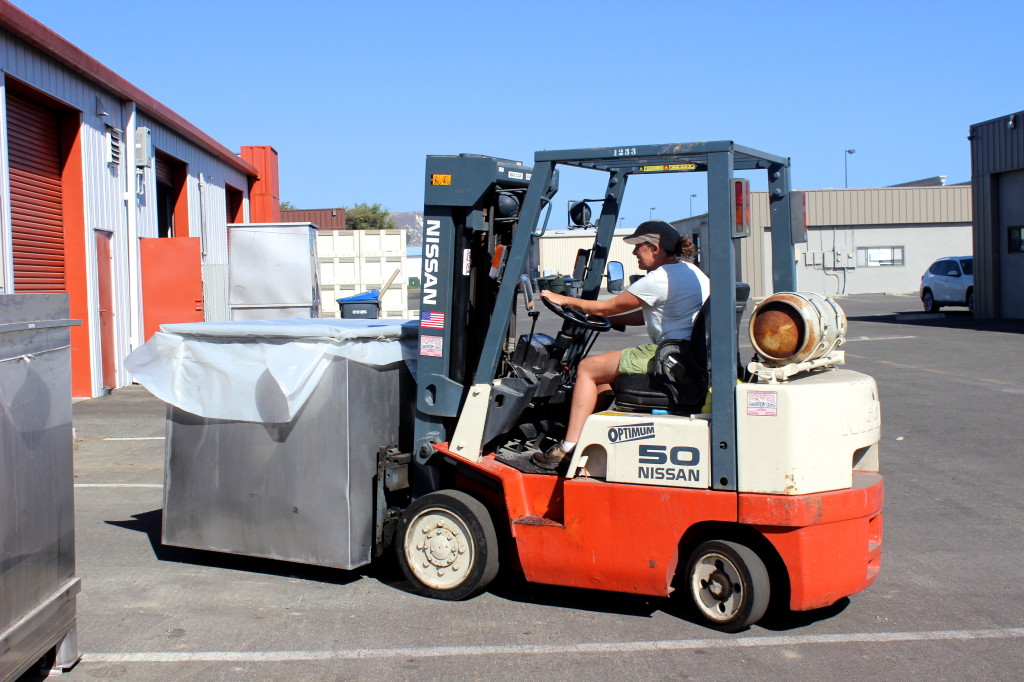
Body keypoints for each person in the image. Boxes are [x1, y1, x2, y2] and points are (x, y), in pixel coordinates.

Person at [531, 220, 710, 470]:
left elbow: (607, 305)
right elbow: (648, 314)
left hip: (669, 355)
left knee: (587, 368)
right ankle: (587, 435)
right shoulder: (692, 272)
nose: (635, 252)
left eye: (639, 246)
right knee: (603, 379)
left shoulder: (659, 279)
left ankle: (567, 449)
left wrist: (562, 299)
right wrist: (608, 319)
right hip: (684, 354)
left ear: (655, 248)